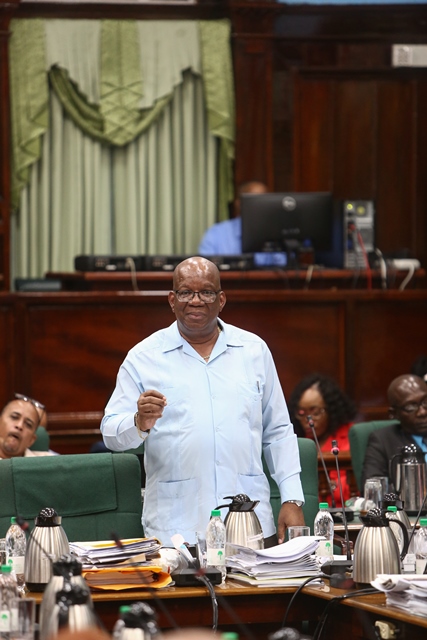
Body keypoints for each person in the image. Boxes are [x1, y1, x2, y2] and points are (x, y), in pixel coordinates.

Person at [101, 256, 304, 547]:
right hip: (178, 530)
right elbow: (110, 433)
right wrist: (138, 422)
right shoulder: (144, 357)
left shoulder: (253, 350)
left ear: (221, 300)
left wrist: (292, 497)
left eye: (206, 292)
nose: (195, 301)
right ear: (172, 300)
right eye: (186, 292)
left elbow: (278, 432)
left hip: (249, 522)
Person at [288, 373, 357, 507]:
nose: (308, 420)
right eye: (301, 413)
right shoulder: (300, 443)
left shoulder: (351, 437)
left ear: (331, 409)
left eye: (315, 412)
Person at [361, 374, 427, 488]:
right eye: (410, 407)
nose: (422, 412)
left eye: (425, 401)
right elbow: (373, 487)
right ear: (394, 413)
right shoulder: (382, 440)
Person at [198, 181, 268, 255]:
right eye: (254, 200)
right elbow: (206, 261)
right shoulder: (216, 234)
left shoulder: (272, 232)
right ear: (238, 203)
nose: (259, 205)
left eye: (263, 200)